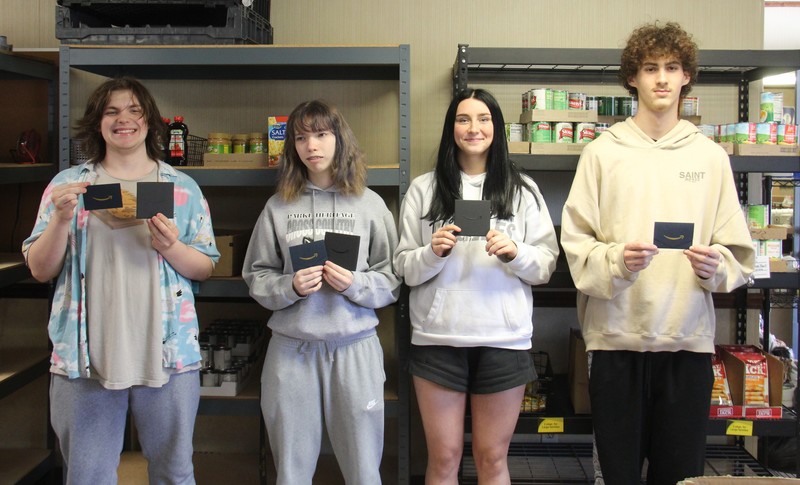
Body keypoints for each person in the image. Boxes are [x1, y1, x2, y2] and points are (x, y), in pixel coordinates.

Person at [560, 21, 755, 484]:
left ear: (687, 75)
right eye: (650, 68)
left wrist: (716, 267)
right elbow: (576, 244)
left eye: (672, 67)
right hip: (614, 342)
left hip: (686, 343)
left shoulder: (709, 157)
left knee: (679, 474)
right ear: (633, 77)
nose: (662, 79)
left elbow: (738, 254)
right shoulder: (602, 154)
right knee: (618, 475)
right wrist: (615, 262)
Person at [22, 76, 219, 484]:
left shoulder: (181, 188)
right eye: (111, 111)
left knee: (175, 473)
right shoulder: (68, 186)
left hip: (168, 357)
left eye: (134, 110)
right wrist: (61, 218)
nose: (123, 119)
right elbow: (41, 269)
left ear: (150, 122)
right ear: (97, 122)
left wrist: (170, 247)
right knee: (87, 476)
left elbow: (205, 267)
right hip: (84, 360)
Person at [394, 88, 559, 484]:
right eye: (463, 119)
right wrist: (431, 253)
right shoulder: (424, 189)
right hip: (437, 340)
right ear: (451, 128)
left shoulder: (522, 189)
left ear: (497, 128)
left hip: (503, 338)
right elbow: (404, 268)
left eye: (484, 119)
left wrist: (515, 253)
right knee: (445, 458)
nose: (474, 128)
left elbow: (546, 266)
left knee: (491, 458)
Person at [242, 99, 401, 484]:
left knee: (365, 470)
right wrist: (289, 286)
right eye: (301, 137)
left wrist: (356, 284)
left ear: (339, 139)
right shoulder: (278, 206)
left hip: (355, 348)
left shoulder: (370, 205)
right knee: (292, 472)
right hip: (292, 351)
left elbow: (393, 278)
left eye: (321, 134)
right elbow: (256, 275)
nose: (311, 146)